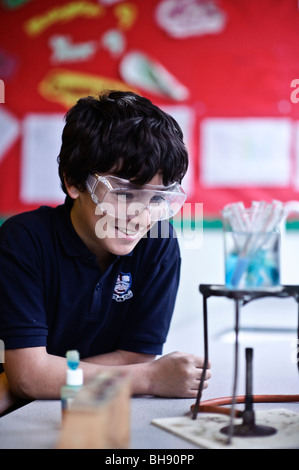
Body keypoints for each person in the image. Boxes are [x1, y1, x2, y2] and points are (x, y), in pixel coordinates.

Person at [0, 90, 211, 400]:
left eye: (157, 199)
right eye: (124, 194)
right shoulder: (24, 241)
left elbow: (135, 356)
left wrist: (43, 377)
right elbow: (31, 376)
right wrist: (149, 380)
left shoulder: (158, 242)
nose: (141, 216)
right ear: (74, 181)